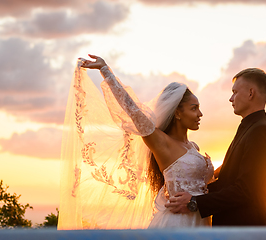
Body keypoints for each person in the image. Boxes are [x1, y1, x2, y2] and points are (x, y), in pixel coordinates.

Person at [57, 55, 214, 229]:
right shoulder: (161, 142)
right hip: (178, 223)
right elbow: (132, 110)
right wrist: (106, 71)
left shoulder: (193, 147)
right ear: (177, 113)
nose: (200, 114)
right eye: (194, 108)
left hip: (200, 219)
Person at [165, 68, 266, 227]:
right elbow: (229, 180)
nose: (231, 99)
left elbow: (246, 190)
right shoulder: (249, 128)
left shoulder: (261, 131)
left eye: (235, 92)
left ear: (251, 93)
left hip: (244, 232)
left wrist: (194, 202)